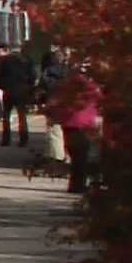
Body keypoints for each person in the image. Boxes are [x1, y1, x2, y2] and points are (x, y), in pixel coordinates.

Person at [43, 57, 102, 195]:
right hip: (83, 124)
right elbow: (100, 100)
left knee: (76, 156)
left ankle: (76, 184)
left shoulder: (65, 87)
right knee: (81, 157)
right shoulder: (90, 87)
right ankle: (78, 185)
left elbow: (52, 103)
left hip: (68, 124)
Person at [0, 44, 32, 146]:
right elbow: (33, 76)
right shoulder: (26, 61)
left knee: (6, 115)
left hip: (8, 91)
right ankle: (24, 139)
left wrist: (2, 87)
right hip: (21, 90)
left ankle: (6, 139)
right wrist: (28, 86)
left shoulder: (3, 61)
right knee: (22, 115)